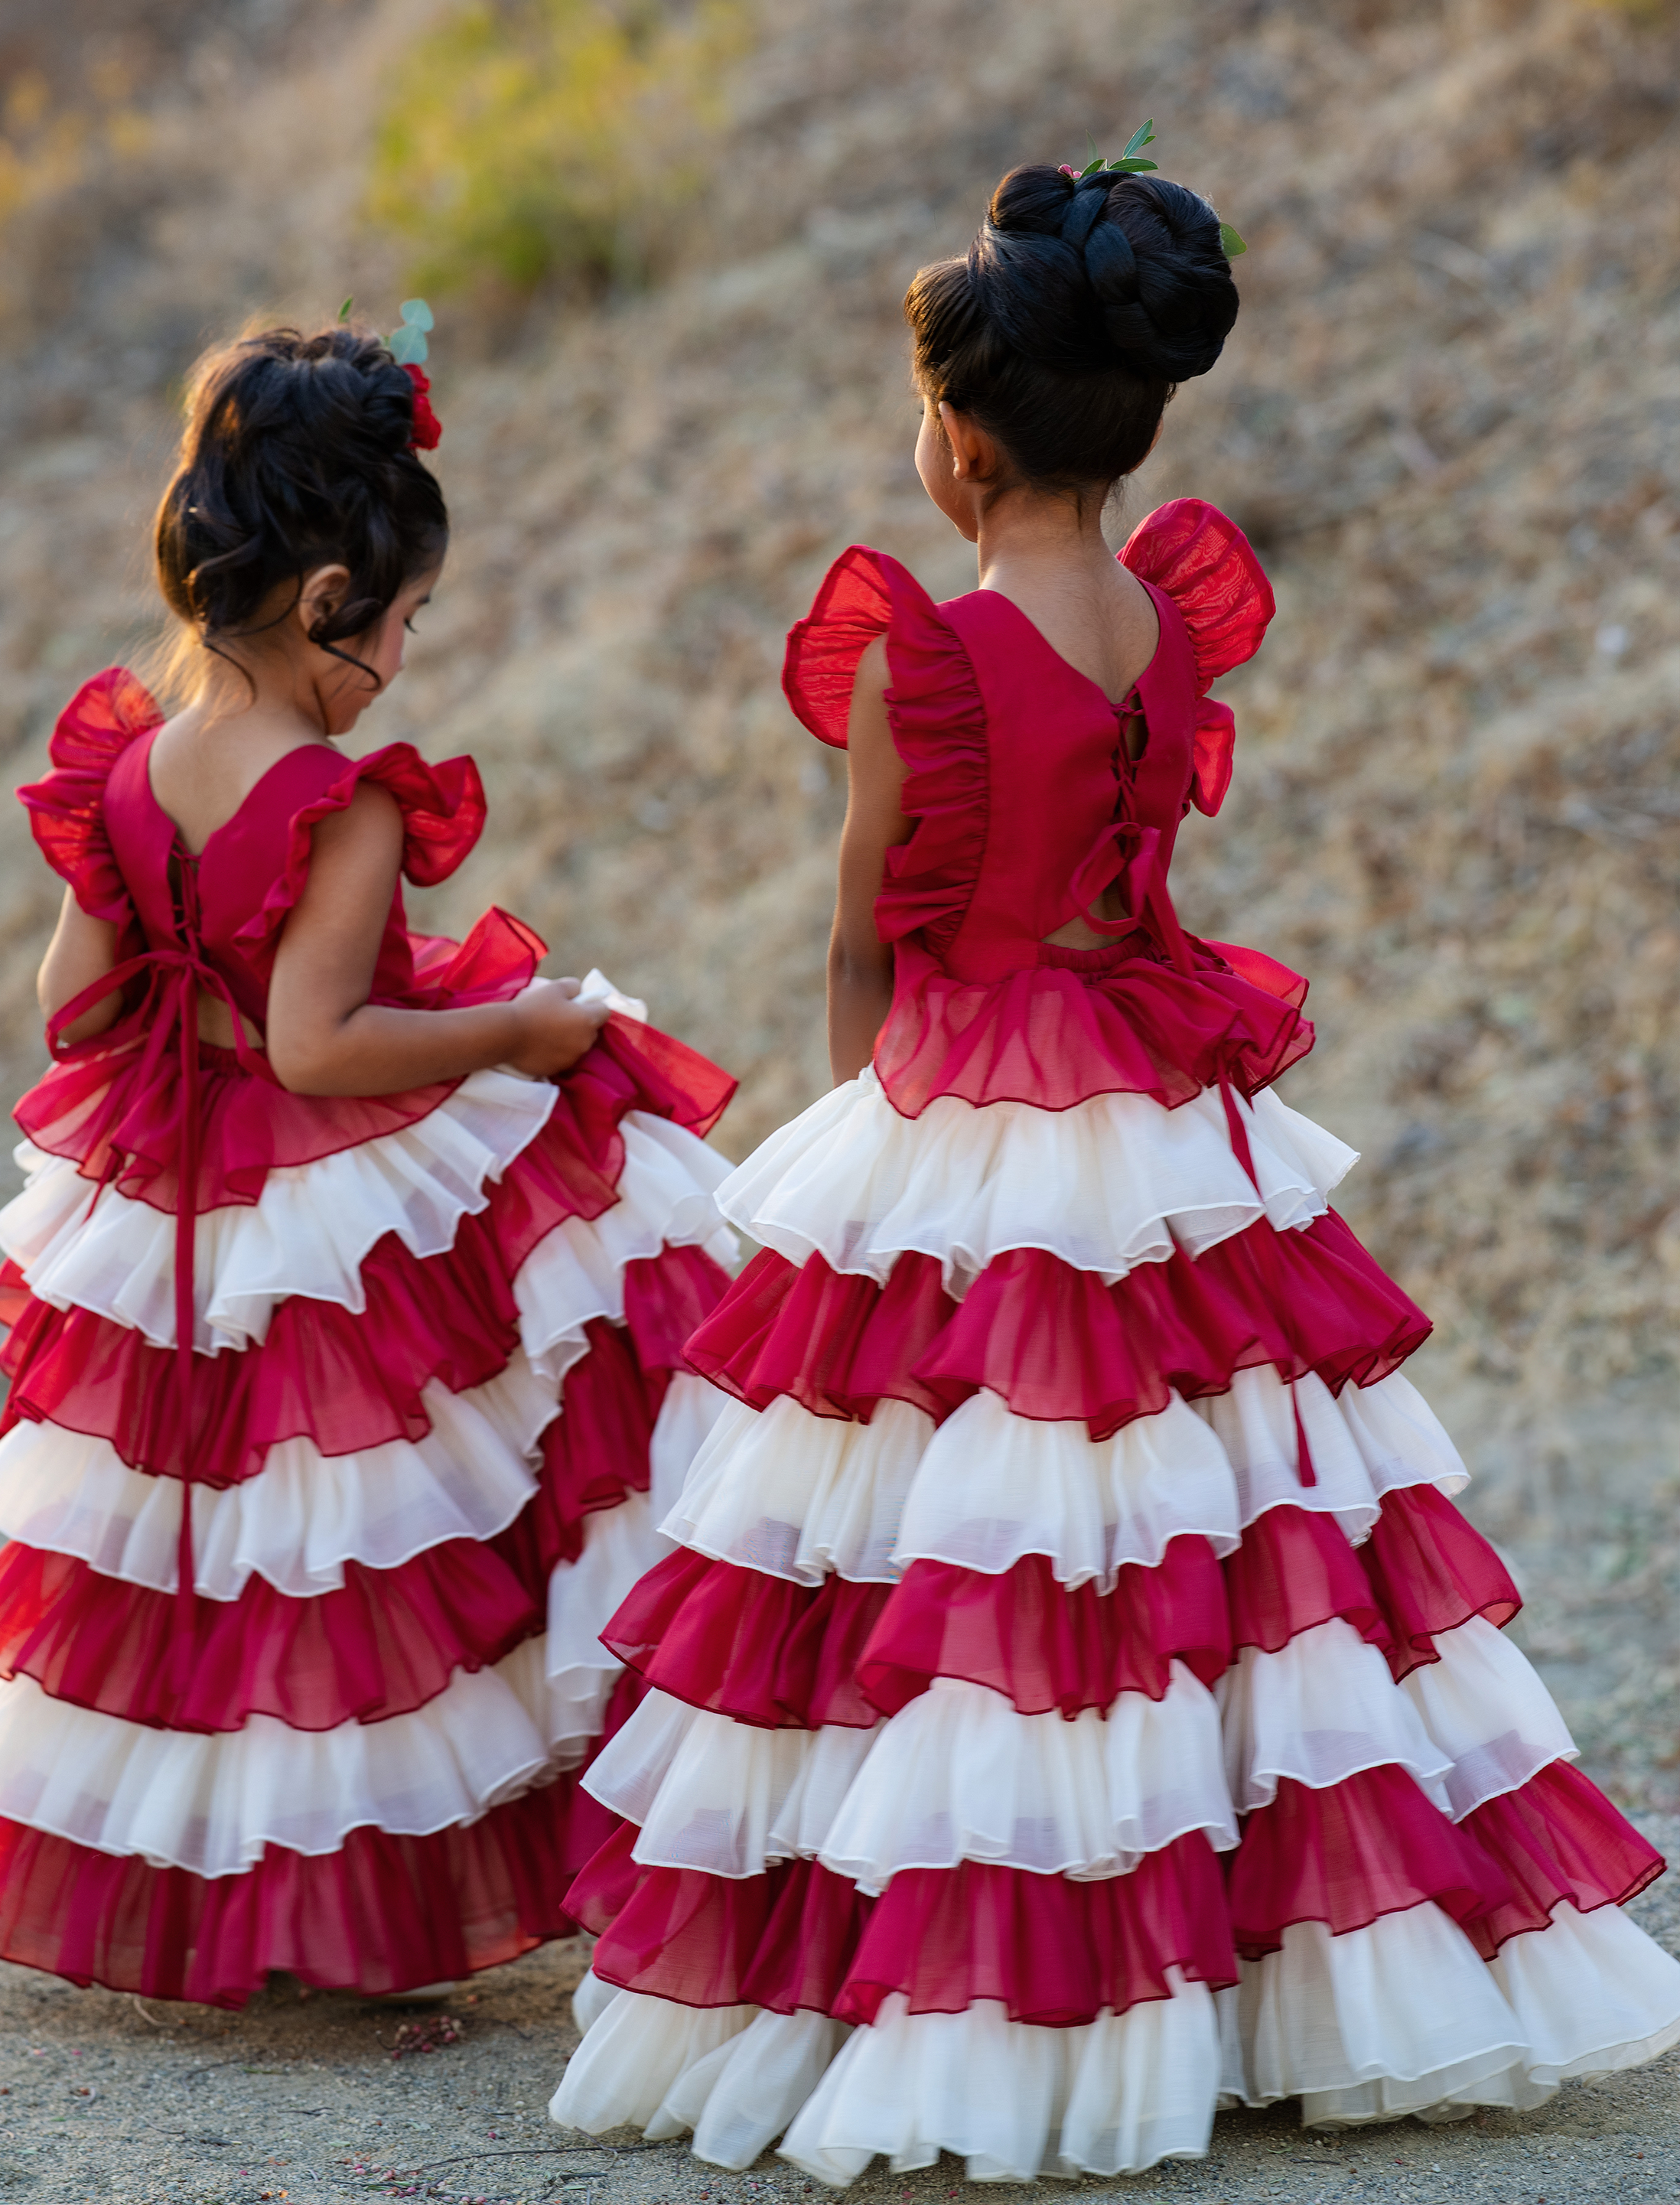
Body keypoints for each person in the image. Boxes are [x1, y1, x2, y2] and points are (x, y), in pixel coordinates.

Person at [550, 149, 1680, 2179]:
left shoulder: (922, 655)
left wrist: (858, 1141)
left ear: (959, 452)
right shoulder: (1166, 631)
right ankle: (1248, 1960)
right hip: (1161, 1119)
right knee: (1207, 1533)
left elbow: (869, 927)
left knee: (962, 1543)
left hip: (970, 1095)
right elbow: (1128, 871)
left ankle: (977, 1976)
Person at [0, 318, 739, 2006]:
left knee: (198, 1534)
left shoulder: (127, 765)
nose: (404, 661)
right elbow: (320, 1046)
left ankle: (187, 1884)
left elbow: (69, 1002)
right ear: (322, 605)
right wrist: (519, 1036)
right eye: (404, 623)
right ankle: (339, 1904)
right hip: (307, 1192)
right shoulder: (339, 792)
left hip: (166, 1188)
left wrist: (185, 983)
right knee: (338, 1537)